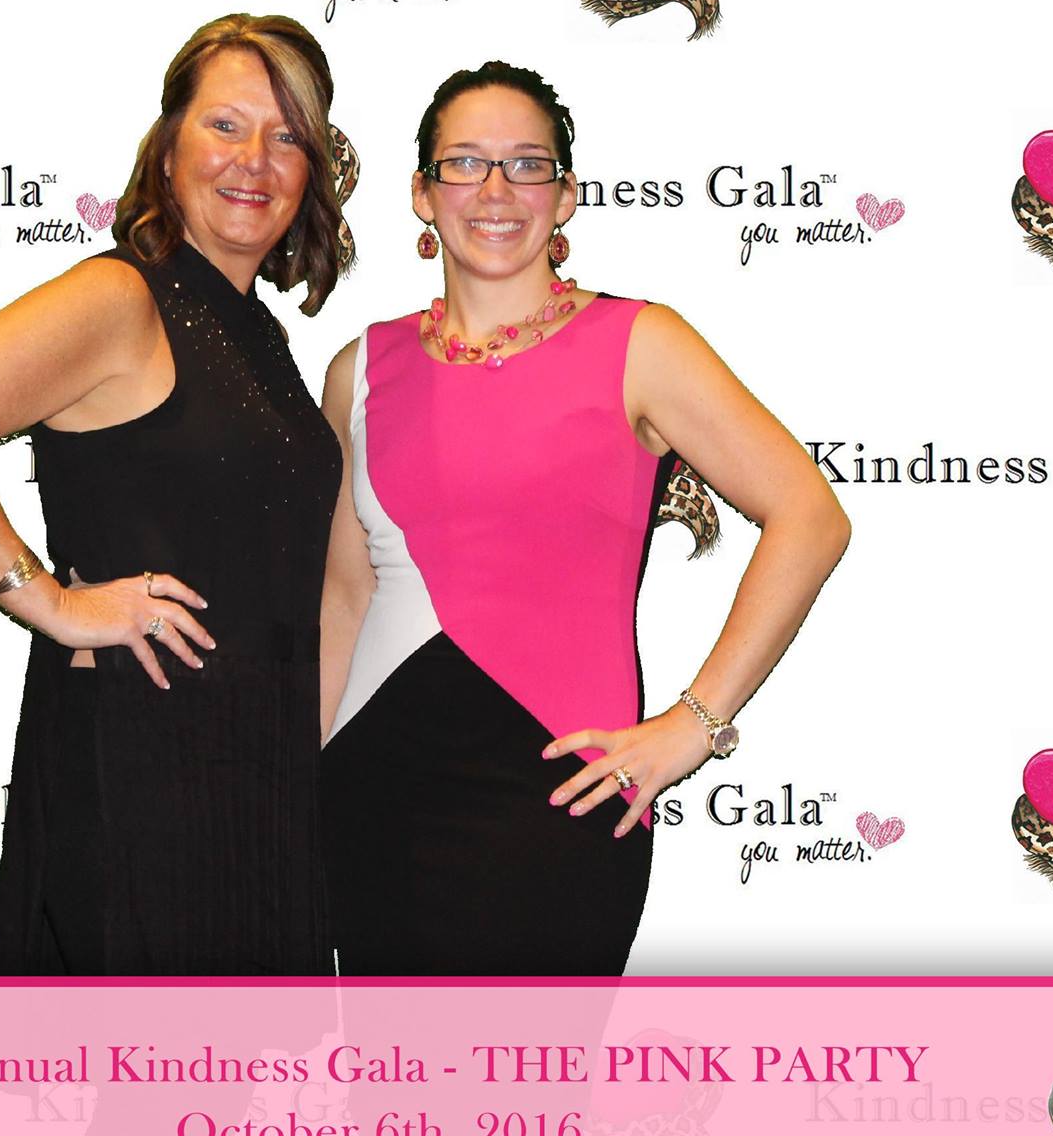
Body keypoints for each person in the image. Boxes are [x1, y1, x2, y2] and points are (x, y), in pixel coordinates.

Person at [319, 62, 852, 976]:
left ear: (564, 196)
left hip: (557, 804)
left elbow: (811, 515)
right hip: (373, 795)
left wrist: (694, 724)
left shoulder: (641, 343)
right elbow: (345, 595)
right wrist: (297, 785)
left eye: (527, 164)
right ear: (421, 193)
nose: (496, 190)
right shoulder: (359, 369)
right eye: (464, 163)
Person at [0, 14, 349, 974]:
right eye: (225, 125)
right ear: (167, 148)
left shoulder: (262, 334)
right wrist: (48, 601)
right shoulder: (123, 298)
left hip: (259, 771)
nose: (254, 159)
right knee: (147, 1068)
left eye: (287, 136)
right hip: (144, 767)